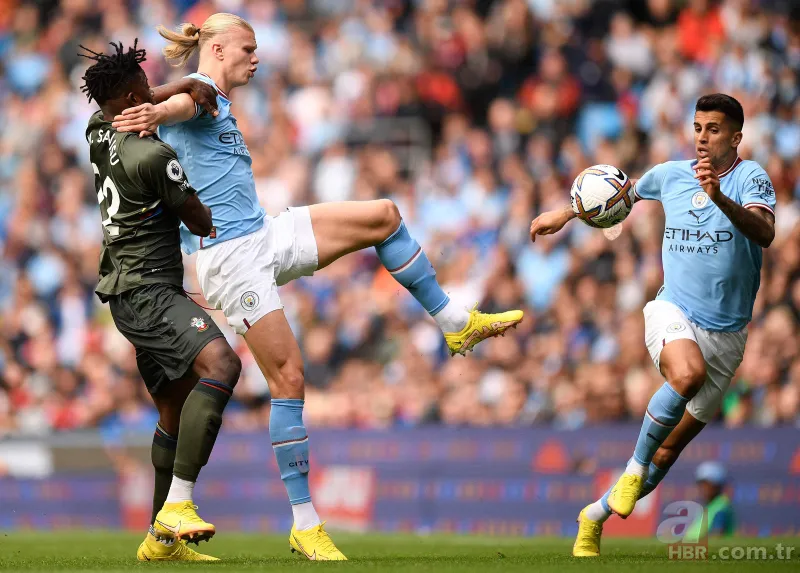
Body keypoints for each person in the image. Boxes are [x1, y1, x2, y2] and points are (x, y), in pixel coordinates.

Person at [111, 13, 523, 560]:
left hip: (262, 233)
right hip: (233, 260)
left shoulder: (206, 91)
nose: (255, 57)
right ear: (216, 50)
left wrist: (158, 103)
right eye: (246, 48)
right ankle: (304, 524)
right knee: (290, 377)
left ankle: (454, 324)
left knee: (383, 216)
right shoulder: (201, 91)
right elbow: (184, 102)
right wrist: (158, 109)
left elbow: (181, 99)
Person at [529, 93, 775, 557]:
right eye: (699, 127)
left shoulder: (751, 178)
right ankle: (633, 467)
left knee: (667, 454)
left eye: (714, 129)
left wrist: (718, 198)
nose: (703, 137)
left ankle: (593, 516)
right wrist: (564, 214)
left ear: (736, 137)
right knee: (686, 375)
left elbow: (764, 232)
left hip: (728, 335)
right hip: (672, 311)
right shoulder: (670, 174)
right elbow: (618, 196)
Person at [80, 39, 241, 562]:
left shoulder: (96, 133)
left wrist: (181, 88)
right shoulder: (153, 154)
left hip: (129, 290)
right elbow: (203, 222)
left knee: (174, 406)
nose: (153, 94)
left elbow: (132, 104)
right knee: (221, 363)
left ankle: (159, 540)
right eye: (146, 89)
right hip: (149, 290)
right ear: (132, 99)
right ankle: (179, 506)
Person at [686, 461, 736, 538]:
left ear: (718, 486)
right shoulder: (711, 507)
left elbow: (717, 536)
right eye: (701, 485)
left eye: (707, 485)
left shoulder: (721, 508)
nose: (703, 489)